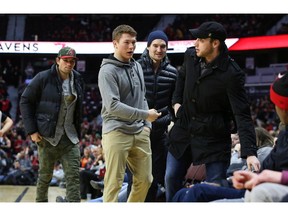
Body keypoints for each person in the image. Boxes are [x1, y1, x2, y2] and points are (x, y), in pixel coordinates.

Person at [165, 21, 260, 201]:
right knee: (170, 178)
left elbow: (242, 114)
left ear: (215, 43)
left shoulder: (232, 74)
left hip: (213, 138)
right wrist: (176, 103)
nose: (195, 43)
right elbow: (181, 77)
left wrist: (250, 152)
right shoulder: (190, 56)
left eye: (200, 40)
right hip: (184, 130)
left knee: (214, 188)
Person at [98, 24, 161, 202]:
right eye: (127, 42)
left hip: (140, 131)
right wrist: (145, 115)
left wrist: (147, 126)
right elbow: (113, 106)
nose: (131, 47)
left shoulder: (137, 66)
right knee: (114, 184)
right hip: (116, 131)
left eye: (134, 42)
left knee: (146, 180)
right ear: (115, 44)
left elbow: (142, 98)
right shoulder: (107, 71)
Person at [19, 46, 84, 202]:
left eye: (72, 62)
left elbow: (78, 109)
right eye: (66, 61)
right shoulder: (43, 77)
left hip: (70, 137)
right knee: (45, 177)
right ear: (57, 60)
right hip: (47, 137)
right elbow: (25, 101)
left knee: (74, 177)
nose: (69, 64)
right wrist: (32, 130)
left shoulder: (78, 79)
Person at [127, 30, 177, 201]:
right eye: (155, 45)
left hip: (159, 135)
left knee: (154, 179)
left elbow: (173, 104)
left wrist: (165, 120)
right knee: (135, 180)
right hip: (137, 132)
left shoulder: (173, 73)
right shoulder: (134, 67)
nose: (159, 49)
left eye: (163, 46)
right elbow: (128, 99)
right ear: (148, 47)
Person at [233, 71, 288, 202]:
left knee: (259, 193)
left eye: (276, 104)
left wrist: (277, 177)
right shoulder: (284, 136)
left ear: (283, 108)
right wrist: (257, 176)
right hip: (269, 185)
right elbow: (267, 169)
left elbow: (269, 172)